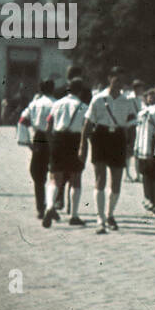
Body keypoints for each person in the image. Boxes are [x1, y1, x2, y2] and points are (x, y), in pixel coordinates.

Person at [84, 67, 140, 234]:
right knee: (100, 179)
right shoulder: (98, 99)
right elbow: (88, 123)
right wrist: (82, 145)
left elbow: (131, 126)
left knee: (116, 182)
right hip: (100, 136)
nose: (118, 83)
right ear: (110, 78)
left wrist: (131, 145)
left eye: (121, 80)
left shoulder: (127, 101)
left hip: (118, 139)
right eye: (116, 80)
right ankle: (100, 219)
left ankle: (110, 214)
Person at [43, 79, 89, 227]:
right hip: (75, 140)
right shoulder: (83, 107)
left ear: (67, 90)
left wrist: (52, 143)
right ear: (80, 91)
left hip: (58, 138)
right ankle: (74, 215)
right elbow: (86, 129)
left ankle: (50, 206)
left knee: (55, 178)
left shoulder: (56, 104)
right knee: (75, 179)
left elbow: (48, 125)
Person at [18, 79, 56, 218]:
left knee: (38, 175)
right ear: (53, 89)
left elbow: (22, 122)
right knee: (55, 173)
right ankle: (53, 204)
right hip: (54, 138)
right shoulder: (56, 104)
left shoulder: (34, 104)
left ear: (40, 90)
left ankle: (41, 207)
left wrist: (27, 142)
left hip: (38, 138)